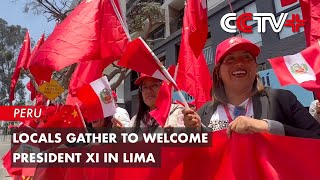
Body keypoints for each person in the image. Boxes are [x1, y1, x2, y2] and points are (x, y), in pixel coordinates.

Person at [183, 37, 320, 139]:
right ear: (218, 71)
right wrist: (195, 133)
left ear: (255, 67)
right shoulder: (204, 112)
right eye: (230, 59)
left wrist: (268, 127)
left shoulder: (283, 100)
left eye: (247, 58)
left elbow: (316, 137)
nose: (239, 63)